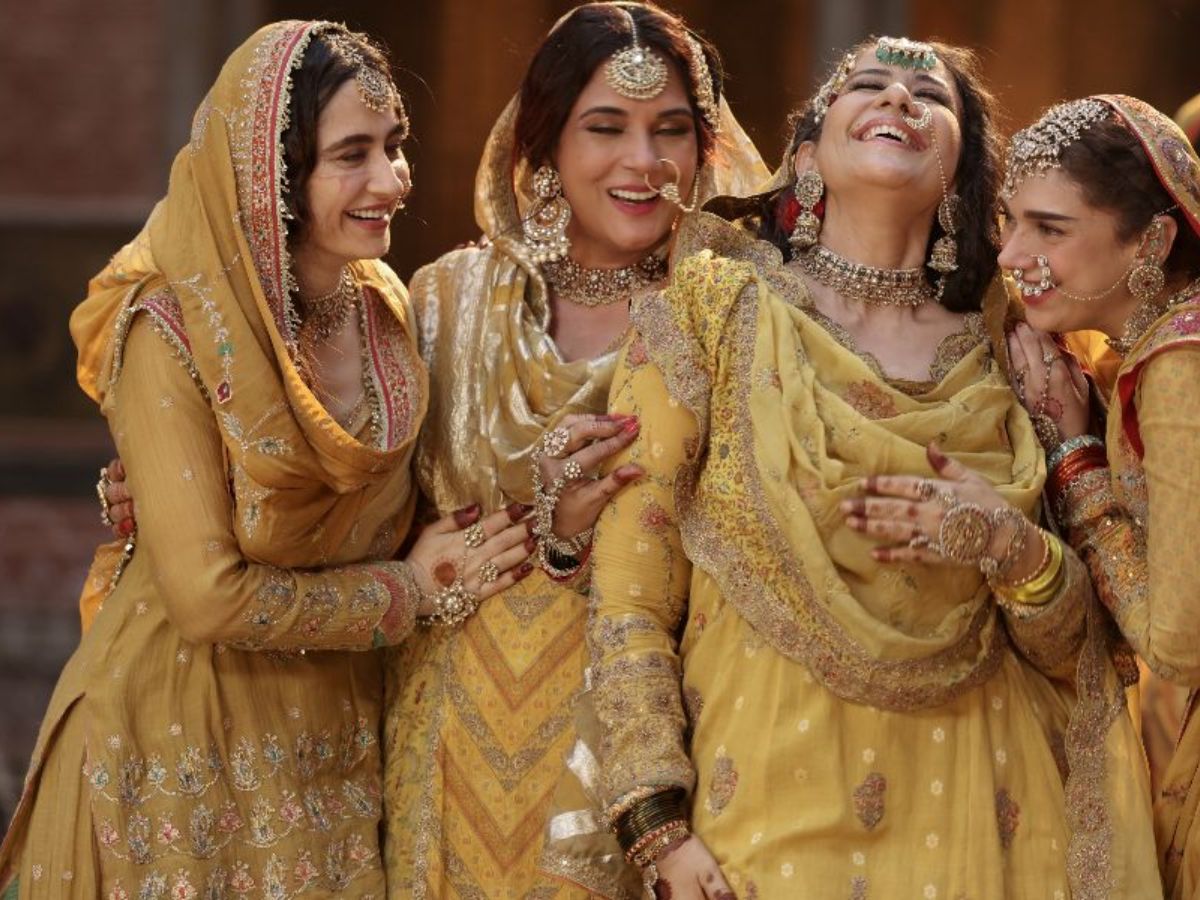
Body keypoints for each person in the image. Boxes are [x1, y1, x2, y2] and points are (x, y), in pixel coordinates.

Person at [582, 38, 1157, 898]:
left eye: (931, 95)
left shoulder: (1020, 349)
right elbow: (631, 590)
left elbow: (1082, 650)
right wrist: (656, 824)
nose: (899, 99)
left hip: (988, 815)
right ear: (807, 156)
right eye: (868, 85)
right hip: (762, 809)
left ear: (965, 176)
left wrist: (1008, 547)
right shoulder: (708, 307)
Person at [0, 21, 531, 898]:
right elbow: (207, 596)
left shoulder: (385, 309)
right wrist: (411, 591)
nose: (391, 181)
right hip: (168, 747)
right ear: (274, 180)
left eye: (394, 147)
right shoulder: (168, 333)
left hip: (330, 751)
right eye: (350, 155)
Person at [381, 4, 766, 897]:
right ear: (544, 145)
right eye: (607, 129)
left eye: (671, 130)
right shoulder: (447, 303)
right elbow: (353, 500)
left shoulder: (731, 316)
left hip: (648, 751)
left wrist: (581, 536)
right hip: (452, 729)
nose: (645, 162)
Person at [998, 94, 1200, 899]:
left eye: (1050, 228)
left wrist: (1077, 464)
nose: (1013, 253)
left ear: (1150, 239)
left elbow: (1180, 641)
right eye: (1010, 221)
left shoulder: (1179, 367)